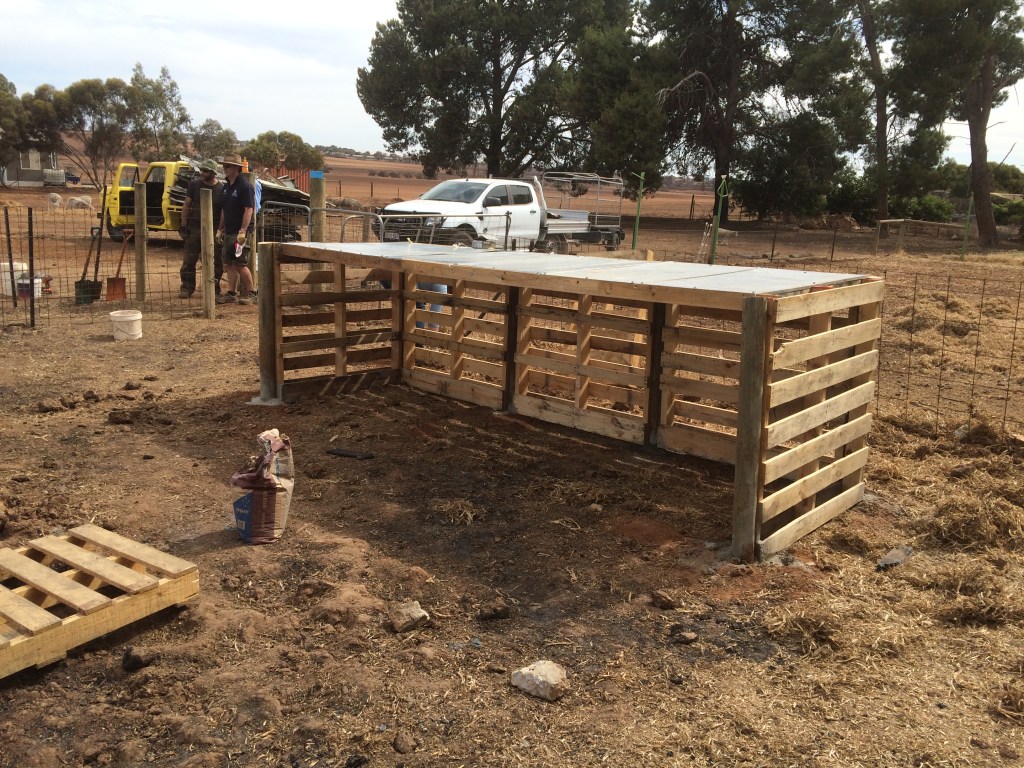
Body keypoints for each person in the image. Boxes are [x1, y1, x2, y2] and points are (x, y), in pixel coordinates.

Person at [178, 159, 223, 299]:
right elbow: (187, 205)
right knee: (189, 260)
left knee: (215, 262)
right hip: (195, 228)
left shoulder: (221, 189)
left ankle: (213, 289)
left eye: (206, 171)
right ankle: (187, 287)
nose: (202, 173)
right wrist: (183, 224)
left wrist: (220, 230)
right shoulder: (194, 185)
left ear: (213, 173)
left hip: (214, 229)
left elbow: (223, 212)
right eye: (201, 170)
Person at [216, 153, 257, 305]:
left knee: (240, 263)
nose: (224, 168)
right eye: (224, 166)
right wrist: (220, 229)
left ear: (237, 168)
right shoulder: (226, 187)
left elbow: (249, 209)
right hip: (228, 231)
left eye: (228, 166)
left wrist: (243, 230)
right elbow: (224, 210)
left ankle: (252, 293)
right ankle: (232, 293)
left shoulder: (245, 186)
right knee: (229, 263)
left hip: (239, 233)